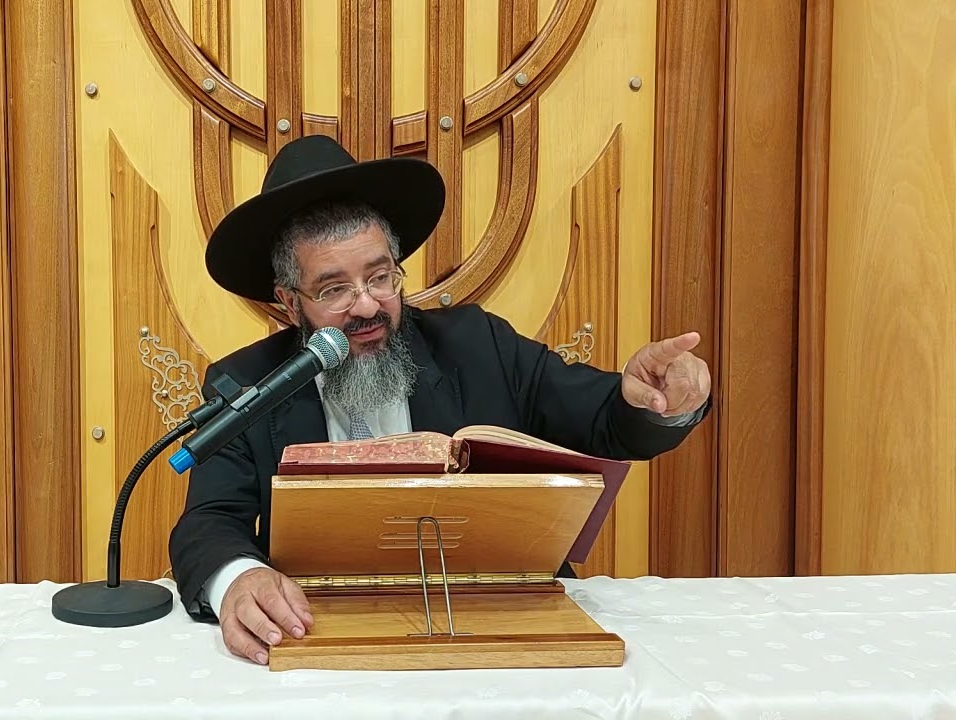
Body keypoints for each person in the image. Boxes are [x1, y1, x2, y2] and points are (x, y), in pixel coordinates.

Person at [168, 135, 712, 666]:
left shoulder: (479, 345)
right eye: (334, 290)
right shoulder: (247, 384)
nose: (366, 306)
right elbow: (209, 521)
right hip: (324, 633)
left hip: (498, 630)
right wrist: (239, 577)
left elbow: (604, 419)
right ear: (291, 303)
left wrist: (657, 400)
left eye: (380, 277)